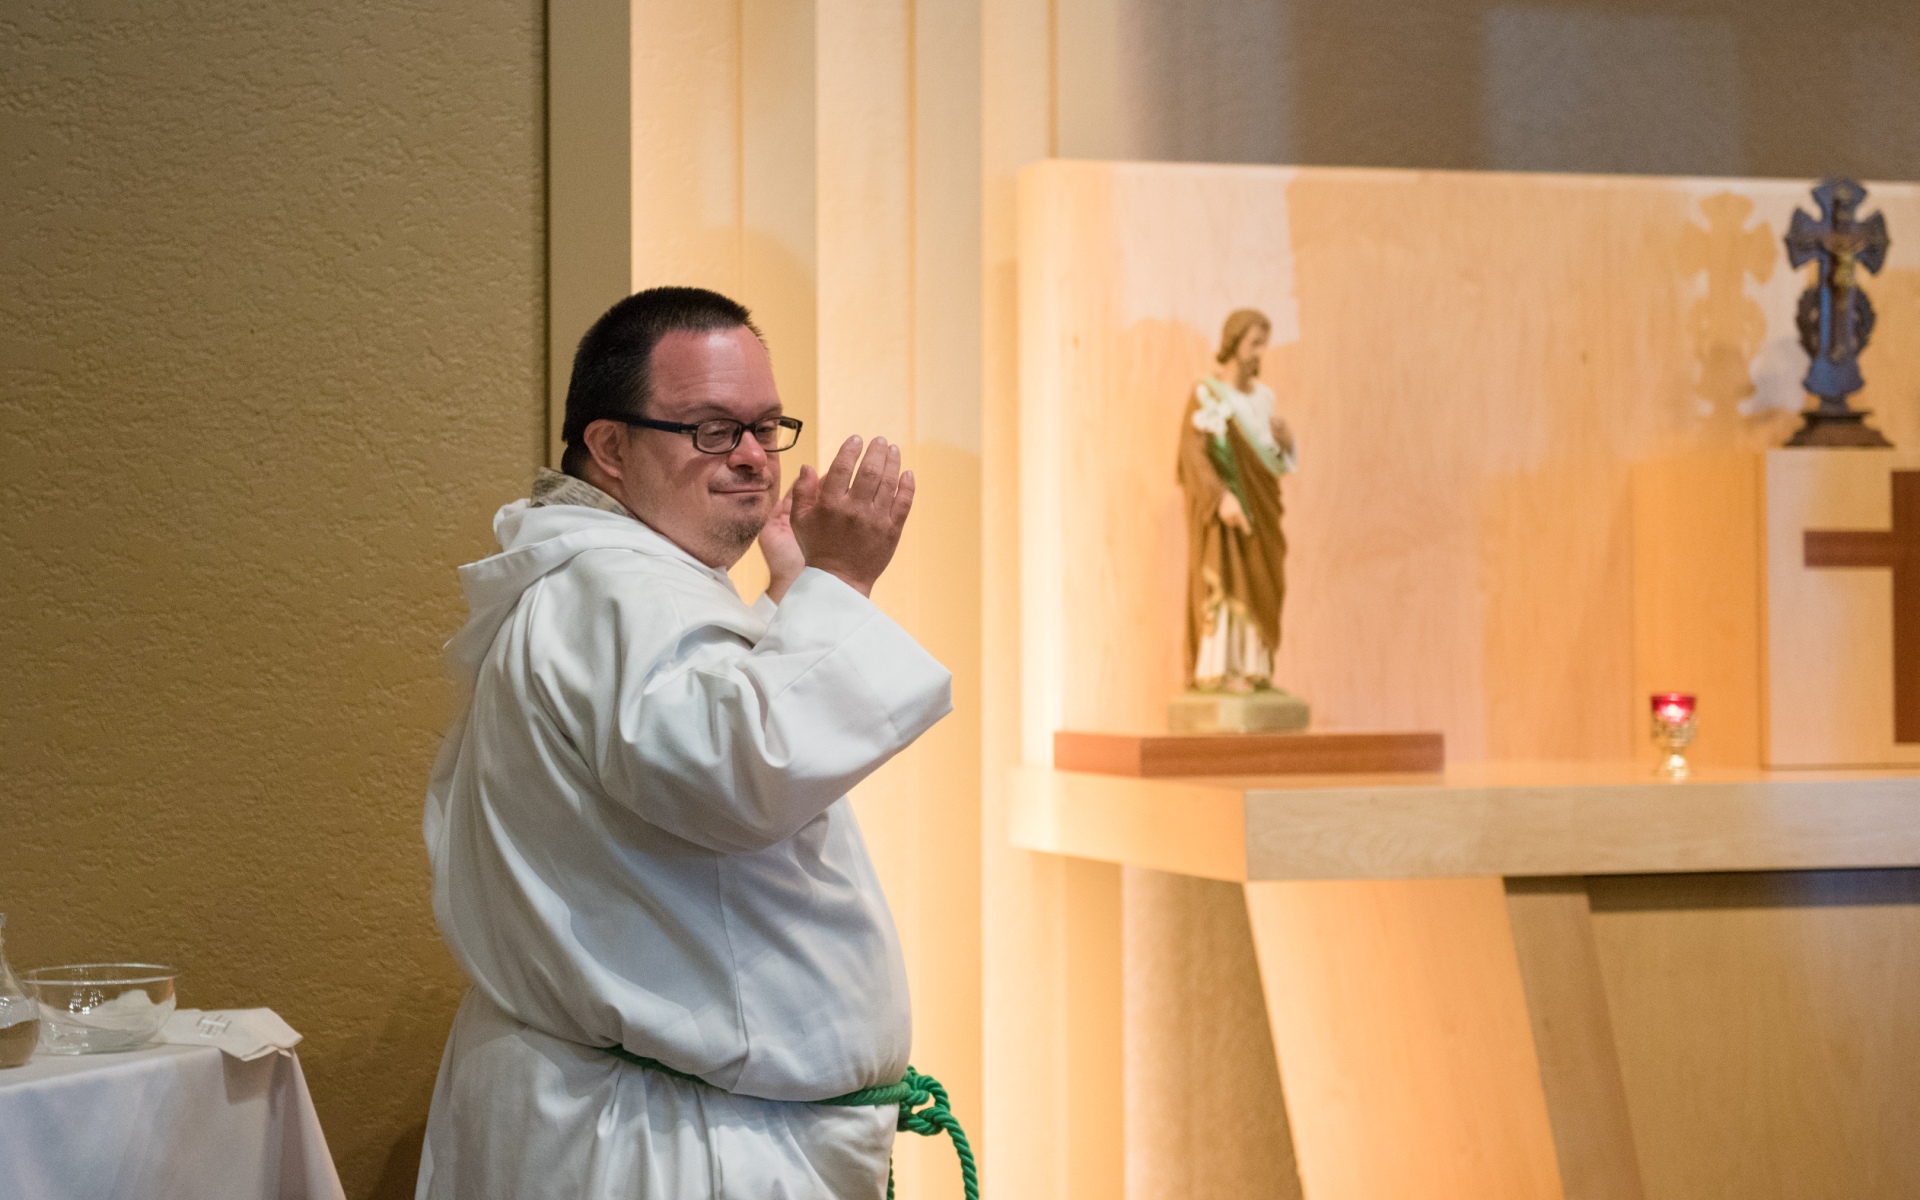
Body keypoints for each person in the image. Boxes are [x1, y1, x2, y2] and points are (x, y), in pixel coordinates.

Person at [417, 286, 953, 1199]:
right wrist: (841, 581)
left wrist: (792, 596)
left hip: (655, 1116)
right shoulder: (616, 589)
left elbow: (677, 763)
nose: (751, 455)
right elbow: (736, 773)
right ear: (610, 447)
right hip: (665, 1146)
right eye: (711, 429)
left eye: (764, 427)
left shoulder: (617, 583)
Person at [1177, 308, 1297, 693]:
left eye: (1264, 344)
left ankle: (1253, 667)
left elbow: (1269, 463)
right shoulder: (1205, 395)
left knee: (1262, 579)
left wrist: (1286, 445)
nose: (1259, 353)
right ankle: (1220, 669)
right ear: (1233, 343)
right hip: (1224, 516)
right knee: (1226, 580)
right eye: (1253, 343)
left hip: (1261, 511)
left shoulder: (1263, 398)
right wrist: (1220, 497)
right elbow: (1192, 456)